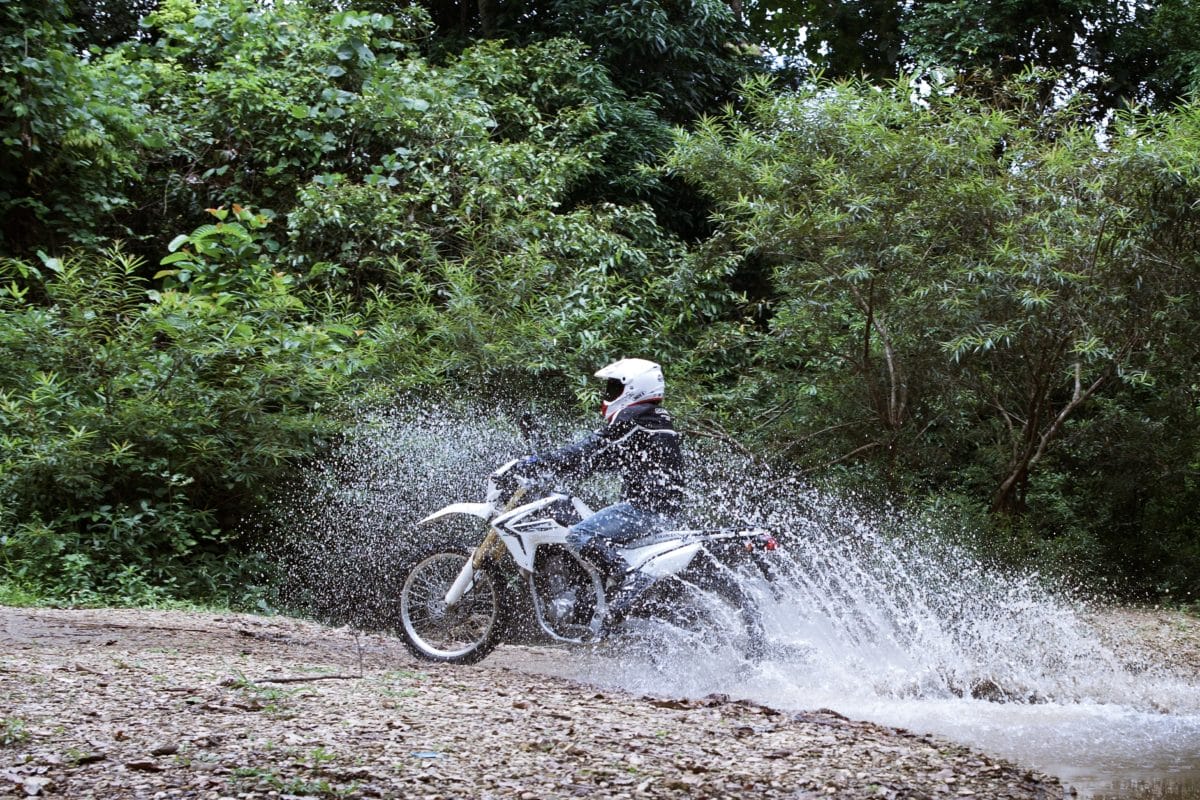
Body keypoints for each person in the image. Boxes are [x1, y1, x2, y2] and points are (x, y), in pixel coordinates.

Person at [516, 357, 686, 631]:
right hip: (663, 510)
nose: (609, 395)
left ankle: (630, 578)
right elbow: (602, 458)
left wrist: (540, 462)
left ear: (633, 387)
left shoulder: (633, 417)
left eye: (613, 388)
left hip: (644, 510)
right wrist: (566, 469)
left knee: (580, 534)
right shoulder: (654, 419)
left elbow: (589, 449)